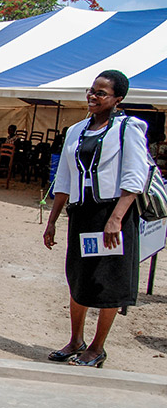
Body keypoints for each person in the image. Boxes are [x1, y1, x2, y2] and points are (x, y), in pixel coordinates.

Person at [44, 70, 149, 368]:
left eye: (101, 93)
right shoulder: (76, 131)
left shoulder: (128, 128)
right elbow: (63, 179)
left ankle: (97, 347)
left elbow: (135, 177)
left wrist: (115, 219)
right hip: (82, 215)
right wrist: (52, 221)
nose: (93, 96)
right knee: (78, 278)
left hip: (112, 216)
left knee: (108, 282)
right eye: (91, 90)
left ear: (118, 99)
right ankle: (75, 339)